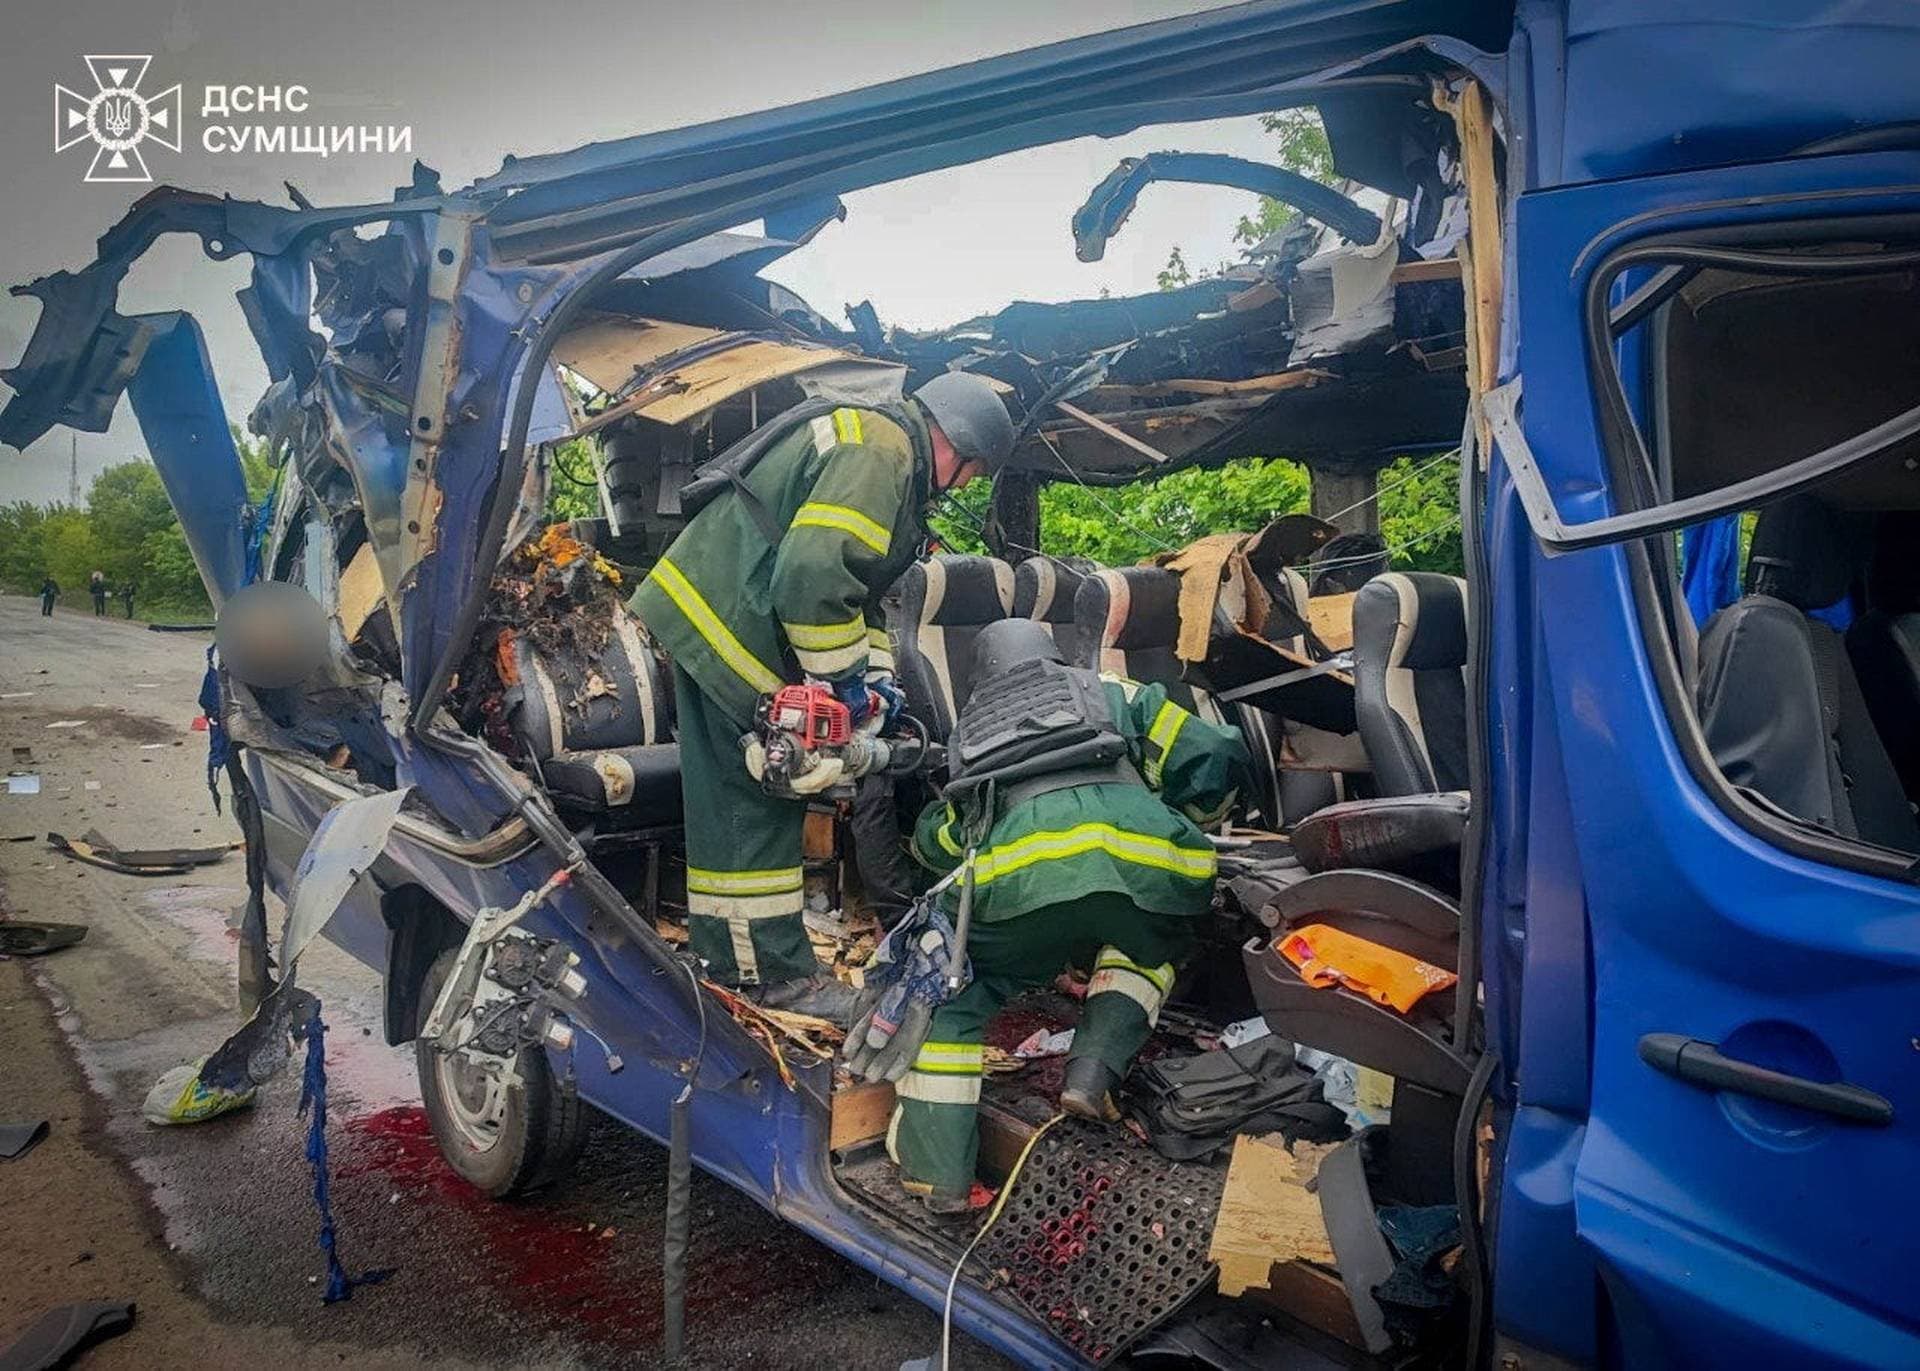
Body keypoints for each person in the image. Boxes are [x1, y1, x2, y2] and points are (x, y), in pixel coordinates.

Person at [630, 373, 1018, 1022]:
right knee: (754, 796)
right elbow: (811, 576)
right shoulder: (884, 452)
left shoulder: (884, 446)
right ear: (957, 440)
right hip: (728, 616)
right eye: (974, 469)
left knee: (755, 797)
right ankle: (767, 978)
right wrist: (841, 687)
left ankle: (742, 963)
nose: (969, 483)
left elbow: (855, 593)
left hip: (723, 610)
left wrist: (876, 683)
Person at [885, 619, 1250, 1212]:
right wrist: (1188, 814)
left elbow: (951, 843)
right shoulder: (1113, 693)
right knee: (1150, 942)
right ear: (1055, 656)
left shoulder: (971, 731)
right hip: (1144, 861)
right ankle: (1092, 1072)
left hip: (1019, 881)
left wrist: (922, 842)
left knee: (952, 1006)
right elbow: (1210, 751)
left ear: (981, 675)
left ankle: (938, 1177)